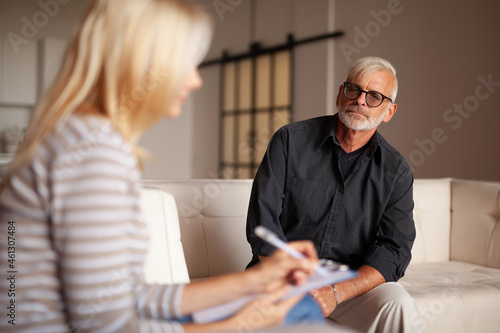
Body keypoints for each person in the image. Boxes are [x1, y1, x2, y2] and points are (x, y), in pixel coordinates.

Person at [0, 0, 326, 332]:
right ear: (142, 64)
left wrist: (256, 280)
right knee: (298, 312)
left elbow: (126, 297)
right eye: (186, 64)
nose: (195, 81)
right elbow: (107, 327)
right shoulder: (93, 152)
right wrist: (240, 325)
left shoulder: (82, 135)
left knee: (296, 305)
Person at [246, 56, 423, 332]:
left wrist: (337, 291)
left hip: (348, 287)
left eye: (374, 96)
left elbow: (394, 249)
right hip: (280, 277)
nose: (361, 101)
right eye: (354, 89)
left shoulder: (396, 171)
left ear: (389, 111)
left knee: (396, 302)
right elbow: (263, 224)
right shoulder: (289, 140)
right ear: (341, 94)